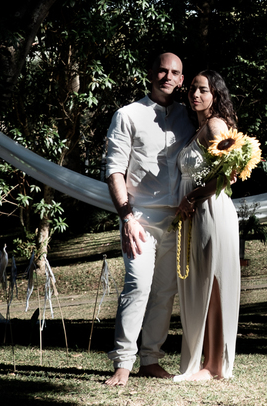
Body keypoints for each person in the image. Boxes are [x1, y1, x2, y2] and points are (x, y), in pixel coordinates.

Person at [102, 53, 196, 387]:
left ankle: (150, 360)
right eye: (162, 70)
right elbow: (114, 170)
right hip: (139, 218)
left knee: (166, 291)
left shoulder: (190, 117)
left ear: (181, 80)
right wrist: (126, 217)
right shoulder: (128, 115)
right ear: (151, 73)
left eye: (174, 72)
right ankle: (123, 363)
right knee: (138, 285)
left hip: (178, 222)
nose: (167, 76)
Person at [172, 70, 242, 381]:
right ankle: (206, 362)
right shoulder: (197, 128)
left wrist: (195, 197)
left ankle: (214, 366)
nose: (195, 94)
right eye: (192, 90)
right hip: (196, 214)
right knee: (201, 281)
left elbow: (232, 170)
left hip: (211, 211)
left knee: (213, 282)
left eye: (203, 90)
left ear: (215, 94)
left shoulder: (215, 125)